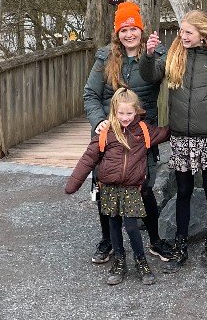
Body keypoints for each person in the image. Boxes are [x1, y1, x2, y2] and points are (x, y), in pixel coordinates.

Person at [139, 9, 207, 274]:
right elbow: (149, 76)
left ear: (202, 35)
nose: (182, 36)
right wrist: (148, 56)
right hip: (181, 137)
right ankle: (181, 243)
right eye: (181, 31)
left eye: (188, 32)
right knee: (182, 191)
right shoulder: (173, 56)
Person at [83, 1, 172, 265]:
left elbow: (164, 75)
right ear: (117, 33)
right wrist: (99, 121)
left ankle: (154, 241)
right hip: (109, 135)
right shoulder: (105, 58)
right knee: (104, 189)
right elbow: (91, 94)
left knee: (144, 188)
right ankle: (108, 241)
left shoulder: (155, 55)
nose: (129, 34)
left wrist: (152, 54)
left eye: (134, 28)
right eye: (124, 30)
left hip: (140, 136)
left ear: (141, 30)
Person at [66, 88, 170, 285]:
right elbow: (88, 158)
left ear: (137, 111)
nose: (125, 117)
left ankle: (141, 261)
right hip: (109, 188)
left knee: (131, 226)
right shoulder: (105, 132)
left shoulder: (144, 130)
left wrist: (190, 125)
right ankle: (119, 260)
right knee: (114, 224)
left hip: (132, 188)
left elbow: (166, 133)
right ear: (114, 111)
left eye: (129, 113)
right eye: (120, 113)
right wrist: (73, 183)